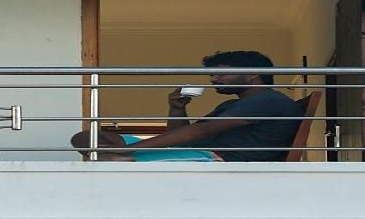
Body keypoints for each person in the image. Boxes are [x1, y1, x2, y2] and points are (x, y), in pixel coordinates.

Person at [94, 49, 306, 162]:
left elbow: (201, 131)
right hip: (198, 151)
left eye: (221, 74)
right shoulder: (232, 104)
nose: (213, 80)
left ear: (252, 74)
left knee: (105, 157)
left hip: (217, 159)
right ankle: (125, 157)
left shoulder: (270, 100)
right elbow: (184, 139)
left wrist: (130, 149)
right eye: (212, 75)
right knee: (89, 139)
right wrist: (177, 108)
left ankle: (125, 159)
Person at [69, 126, 220, 162]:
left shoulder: (128, 144)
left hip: (210, 159)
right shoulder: (130, 145)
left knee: (80, 139)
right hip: (205, 157)